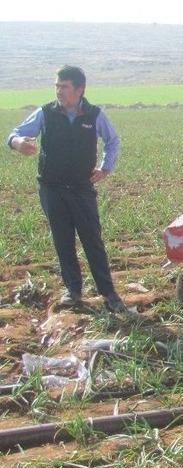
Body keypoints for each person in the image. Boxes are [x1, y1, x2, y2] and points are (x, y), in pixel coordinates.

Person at [6, 65, 126, 313]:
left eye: (64, 86)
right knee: (63, 240)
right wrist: (18, 143)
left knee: (92, 240)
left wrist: (106, 167)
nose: (59, 91)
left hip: (82, 188)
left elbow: (112, 141)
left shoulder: (94, 115)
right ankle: (73, 290)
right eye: (57, 86)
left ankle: (109, 293)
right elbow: (15, 133)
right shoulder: (46, 113)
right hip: (52, 188)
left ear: (80, 89)